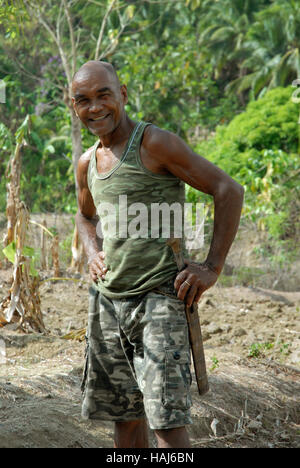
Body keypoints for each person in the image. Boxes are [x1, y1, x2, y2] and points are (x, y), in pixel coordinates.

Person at [72, 60, 244, 448]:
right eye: (83, 100)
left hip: (159, 301)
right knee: (125, 419)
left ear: (123, 95)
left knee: (166, 424)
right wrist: (92, 251)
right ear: (73, 106)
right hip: (107, 305)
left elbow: (227, 190)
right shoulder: (87, 163)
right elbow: (84, 215)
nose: (95, 107)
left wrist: (211, 267)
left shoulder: (154, 144)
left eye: (104, 95)